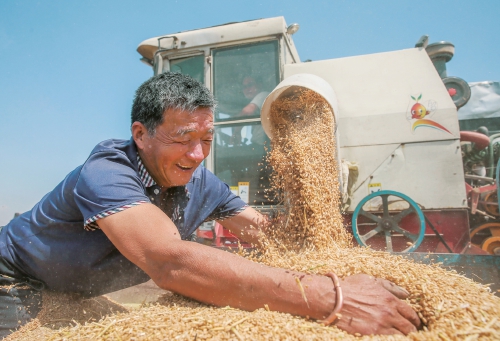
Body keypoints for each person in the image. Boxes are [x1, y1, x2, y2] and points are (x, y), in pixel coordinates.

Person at [0, 72, 420, 338]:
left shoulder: (203, 181)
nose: (197, 154)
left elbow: (265, 236)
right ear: (141, 133)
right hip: (13, 281)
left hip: (71, 291)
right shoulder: (106, 172)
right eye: (182, 137)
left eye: (206, 140)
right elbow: (169, 262)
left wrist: (310, 215)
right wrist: (331, 296)